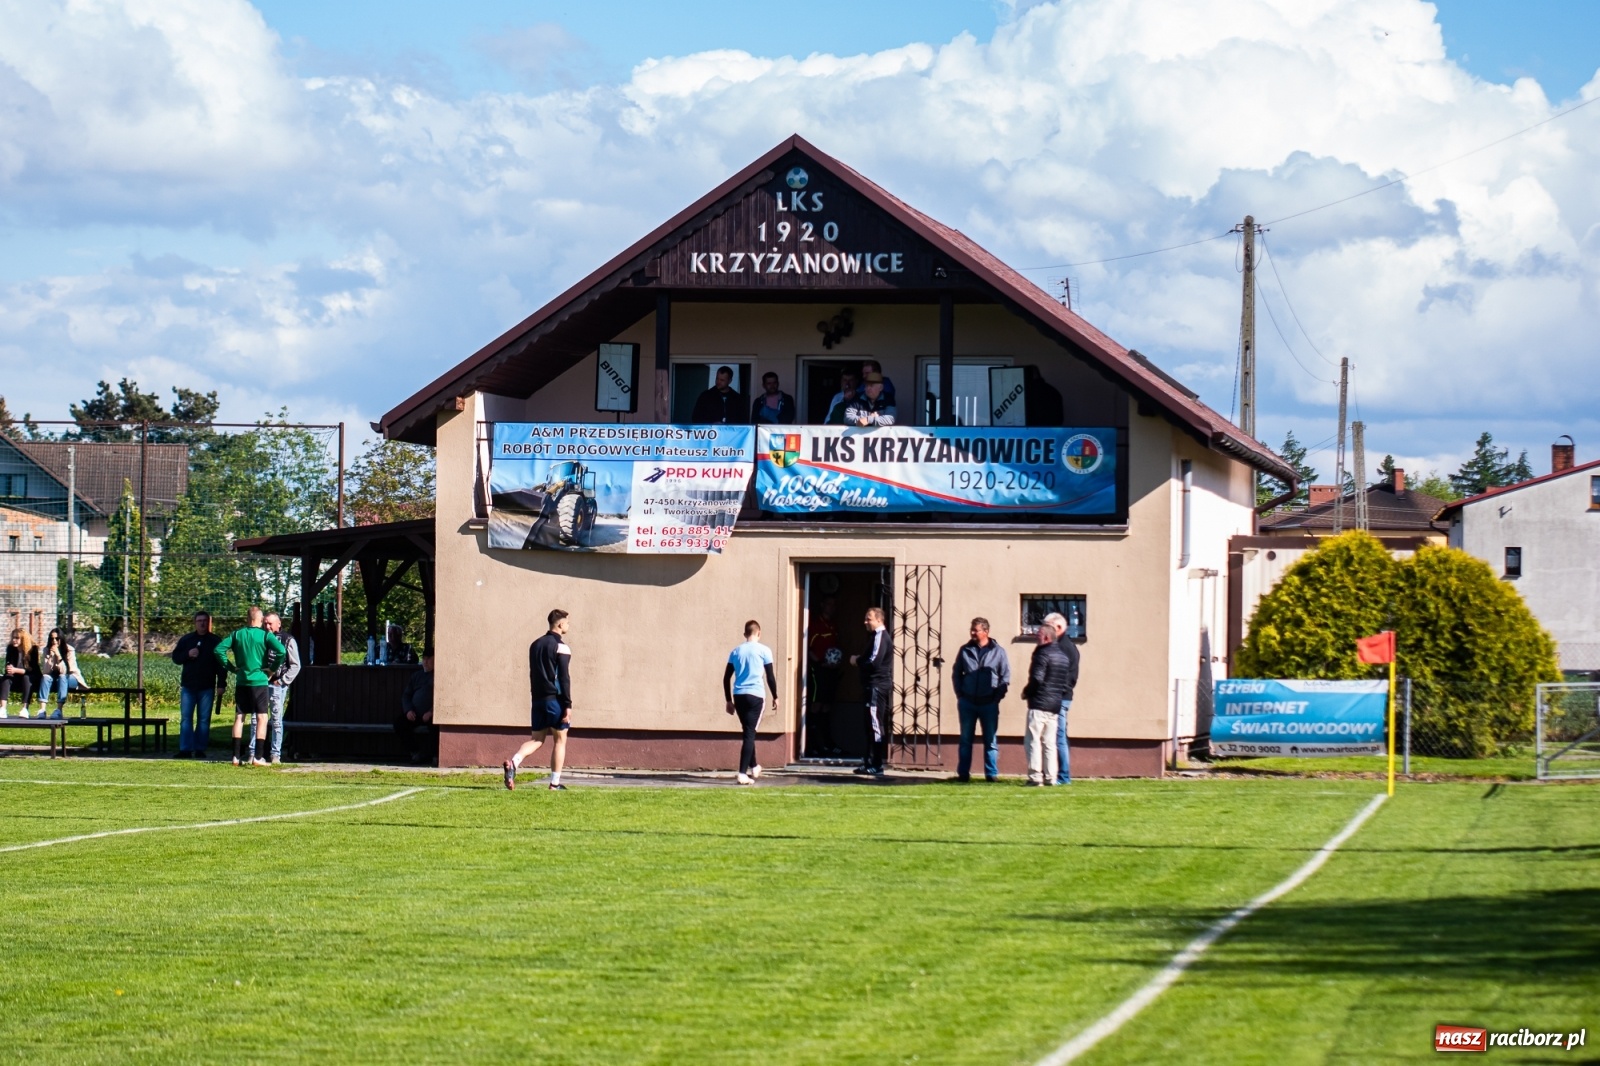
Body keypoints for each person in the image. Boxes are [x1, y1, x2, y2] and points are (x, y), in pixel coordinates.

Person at [504, 609, 573, 791]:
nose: (568, 625)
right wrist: (567, 704)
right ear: (560, 624)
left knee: (537, 739)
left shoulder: (535, 645)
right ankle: (554, 784)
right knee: (560, 740)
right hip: (555, 701)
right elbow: (564, 678)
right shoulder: (562, 647)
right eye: (567, 622)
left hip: (538, 700)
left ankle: (514, 761)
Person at [214, 606, 287, 768]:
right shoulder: (265, 635)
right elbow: (281, 651)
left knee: (239, 717)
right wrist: (272, 669)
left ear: (247, 619)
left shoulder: (237, 634)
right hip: (259, 681)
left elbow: (218, 650)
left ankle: (235, 756)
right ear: (261, 620)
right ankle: (258, 757)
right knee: (262, 717)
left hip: (242, 681)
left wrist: (231, 667)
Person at [950, 617, 1011, 782]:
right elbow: (957, 673)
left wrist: (996, 698)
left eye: (976, 630)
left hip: (989, 704)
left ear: (986, 632)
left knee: (990, 740)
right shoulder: (965, 650)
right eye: (972, 629)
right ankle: (963, 774)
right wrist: (960, 694)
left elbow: (1005, 678)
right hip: (967, 702)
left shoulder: (998, 651)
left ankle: (991, 775)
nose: (972, 633)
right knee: (965, 740)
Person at [723, 620, 779, 784]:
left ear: (745, 634)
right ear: (759, 633)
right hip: (756, 695)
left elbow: (726, 678)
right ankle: (742, 773)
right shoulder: (764, 650)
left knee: (748, 730)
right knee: (750, 732)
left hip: (739, 695)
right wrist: (776, 696)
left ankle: (754, 766)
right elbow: (770, 677)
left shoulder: (736, 651)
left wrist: (728, 700)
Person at [1021, 619, 1075, 786]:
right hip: (1055, 705)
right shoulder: (1063, 657)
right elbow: (1064, 683)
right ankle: (1051, 777)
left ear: (1045, 637)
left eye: (1038, 635)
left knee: (1033, 740)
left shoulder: (1042, 653)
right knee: (1049, 743)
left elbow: (1037, 678)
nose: (1036, 638)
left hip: (1039, 703)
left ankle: (1035, 776)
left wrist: (1026, 692)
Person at [171, 611, 225, 759]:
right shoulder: (187, 640)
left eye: (204, 621)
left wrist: (221, 683)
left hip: (207, 686)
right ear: (195, 623)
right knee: (186, 719)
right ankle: (185, 749)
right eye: (199, 621)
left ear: (208, 623)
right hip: (188, 686)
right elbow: (176, 658)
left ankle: (200, 748)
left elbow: (221, 665)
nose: (202, 623)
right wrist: (188, 654)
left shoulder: (215, 641)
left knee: (203, 719)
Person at [849, 607, 893, 776]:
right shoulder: (874, 637)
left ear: (879, 620)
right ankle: (868, 762)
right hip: (871, 686)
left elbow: (874, 662)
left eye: (869, 619)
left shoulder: (881, 637)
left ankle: (876, 764)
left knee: (875, 725)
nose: (865, 622)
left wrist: (857, 661)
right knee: (869, 725)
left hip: (877, 686)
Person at [1046, 612, 1082, 784]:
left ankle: (1063, 776)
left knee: (1058, 736)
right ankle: (1054, 774)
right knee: (1053, 736)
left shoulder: (1066, 648)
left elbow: (1069, 678)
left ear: (1059, 628)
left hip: (1059, 698)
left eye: (1048, 626)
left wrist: (1055, 694)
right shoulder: (1054, 645)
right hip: (1053, 697)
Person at [263, 612, 302, 765]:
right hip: (260, 684)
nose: (267, 627)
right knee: (257, 719)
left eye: (270, 624)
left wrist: (282, 681)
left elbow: (295, 665)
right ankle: (258, 752)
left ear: (278, 624)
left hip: (277, 685)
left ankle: (275, 754)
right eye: (265, 623)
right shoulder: (260, 637)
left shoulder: (287, 640)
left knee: (276, 720)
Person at [805, 595, 841, 756]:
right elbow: (808, 648)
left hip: (831, 670)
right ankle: (812, 745)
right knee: (816, 705)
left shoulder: (833, 625)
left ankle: (827, 743)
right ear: (822, 605)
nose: (832, 607)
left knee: (827, 706)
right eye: (829, 604)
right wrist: (819, 663)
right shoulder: (815, 625)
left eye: (834, 604)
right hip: (818, 670)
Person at [395, 649, 435, 764]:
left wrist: (431, 712)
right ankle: (415, 753)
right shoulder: (416, 676)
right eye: (424, 659)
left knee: (436, 727)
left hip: (431, 715)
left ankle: (434, 756)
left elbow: (443, 697)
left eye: (429, 659)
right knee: (400, 723)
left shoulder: (438, 676)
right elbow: (406, 695)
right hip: (415, 714)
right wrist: (408, 710)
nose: (426, 662)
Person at [38, 629, 87, 720]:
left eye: (57, 639)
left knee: (62, 677)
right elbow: (45, 671)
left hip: (71, 677)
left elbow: (65, 671)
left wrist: (58, 655)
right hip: (55, 677)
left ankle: (59, 710)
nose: (54, 641)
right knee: (45, 677)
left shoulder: (69, 650)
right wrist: (51, 657)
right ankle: (42, 710)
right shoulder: (46, 650)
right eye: (52, 639)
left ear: (61, 639)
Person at [0, 628, 39, 719]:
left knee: (26, 678)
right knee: (6, 678)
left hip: (31, 677)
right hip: (16, 677)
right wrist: (9, 668)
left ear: (23, 639)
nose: (14, 640)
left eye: (17, 638)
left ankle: (25, 708)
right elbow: (9, 663)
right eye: (13, 637)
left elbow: (33, 670)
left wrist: (16, 670)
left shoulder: (33, 649)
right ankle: (3, 708)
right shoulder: (11, 648)